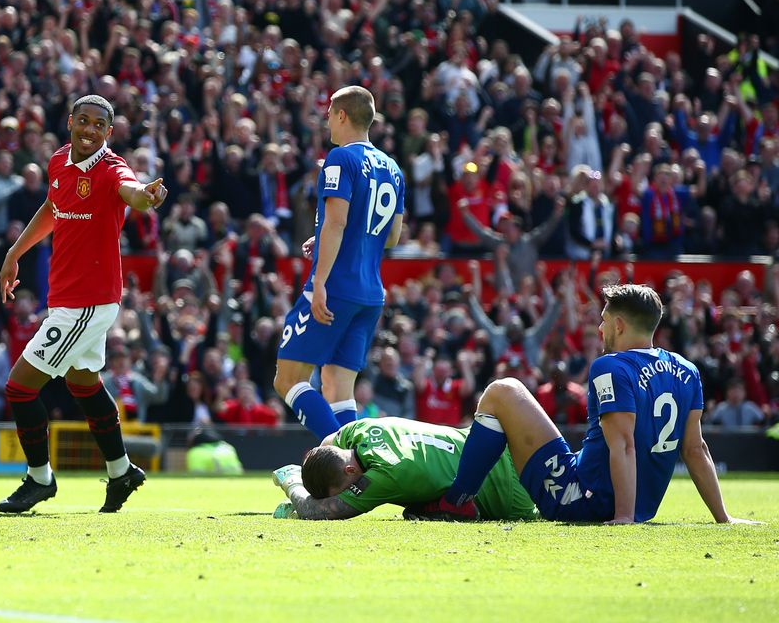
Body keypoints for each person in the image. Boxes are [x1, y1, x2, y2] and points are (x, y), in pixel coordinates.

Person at [409, 284, 758, 524]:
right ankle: (466, 497)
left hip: (582, 500)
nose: (601, 327)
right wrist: (722, 518)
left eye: (604, 321)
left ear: (619, 325)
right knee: (514, 397)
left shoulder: (611, 366)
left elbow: (623, 445)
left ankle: (455, 502)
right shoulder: (687, 370)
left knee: (502, 391)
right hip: (636, 504)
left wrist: (623, 518)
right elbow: (696, 450)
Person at [0, 95, 168, 514]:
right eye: (83, 121)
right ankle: (122, 470)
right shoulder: (58, 162)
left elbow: (132, 193)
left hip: (88, 303)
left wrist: (145, 196)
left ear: (109, 133)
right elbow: (54, 208)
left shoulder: (111, 170)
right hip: (66, 299)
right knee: (83, 384)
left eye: (99, 125)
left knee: (20, 388)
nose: (90, 130)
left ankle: (40, 480)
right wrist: (14, 253)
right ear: (70, 121)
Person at [273, 86, 405, 440]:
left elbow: (337, 221)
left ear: (342, 115)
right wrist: (330, 235)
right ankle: (357, 466)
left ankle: (344, 466)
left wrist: (319, 283)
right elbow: (390, 237)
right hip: (370, 294)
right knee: (337, 387)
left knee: (287, 379)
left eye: (330, 113)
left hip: (337, 287)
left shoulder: (340, 158)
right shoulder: (393, 169)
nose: (327, 119)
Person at [270, 417, 537, 521]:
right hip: (501, 443)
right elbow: (327, 442)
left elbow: (316, 512)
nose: (341, 496)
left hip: (509, 493)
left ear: (350, 472)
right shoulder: (359, 430)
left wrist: (292, 481)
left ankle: (447, 506)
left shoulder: (384, 475)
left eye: (338, 491)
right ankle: (444, 505)